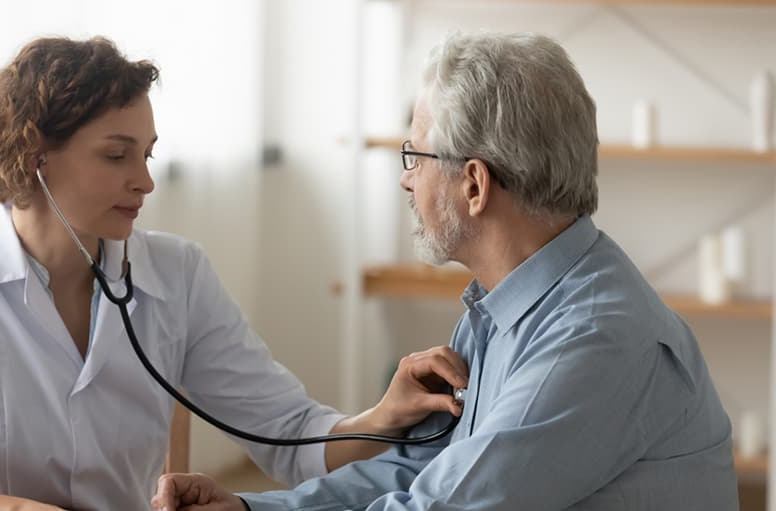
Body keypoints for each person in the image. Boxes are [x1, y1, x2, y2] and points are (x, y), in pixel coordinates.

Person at [0, 36, 470, 511]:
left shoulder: (177, 274)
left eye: (148, 154)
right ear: (35, 155)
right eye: (116, 155)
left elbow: (288, 435)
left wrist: (382, 415)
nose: (145, 180)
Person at [153, 31, 739, 511]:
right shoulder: (504, 305)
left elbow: (441, 505)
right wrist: (252, 509)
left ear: (475, 184)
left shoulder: (593, 337)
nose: (406, 178)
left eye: (415, 156)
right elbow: (421, 471)